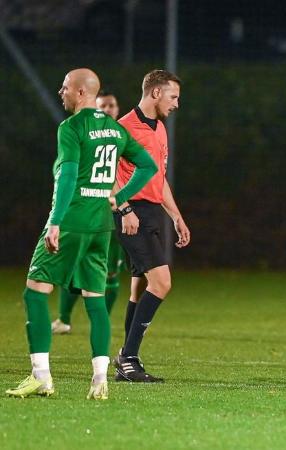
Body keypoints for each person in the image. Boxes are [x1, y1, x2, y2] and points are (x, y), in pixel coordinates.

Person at [5, 68, 157, 400]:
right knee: (95, 300)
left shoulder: (71, 127)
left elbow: (69, 176)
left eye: (65, 88)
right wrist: (117, 196)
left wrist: (56, 221)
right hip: (101, 225)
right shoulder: (115, 131)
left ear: (80, 93)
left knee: (35, 292)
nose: (61, 92)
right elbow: (149, 166)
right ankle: (99, 380)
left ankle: (41, 376)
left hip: (72, 220)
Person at [112, 69, 191, 383]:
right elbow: (110, 176)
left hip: (153, 212)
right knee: (162, 283)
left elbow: (159, 178)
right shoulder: (123, 128)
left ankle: (127, 360)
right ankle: (128, 358)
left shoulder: (159, 129)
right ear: (156, 93)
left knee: (141, 287)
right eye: (173, 97)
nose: (176, 104)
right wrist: (125, 207)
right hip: (132, 213)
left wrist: (176, 216)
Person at [52, 90, 125, 335]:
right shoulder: (84, 133)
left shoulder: (122, 135)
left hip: (113, 213)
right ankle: (63, 318)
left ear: (117, 108)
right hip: (86, 211)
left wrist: (122, 200)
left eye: (111, 105)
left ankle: (100, 322)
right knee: (74, 266)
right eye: (102, 105)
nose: (107, 109)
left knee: (111, 270)